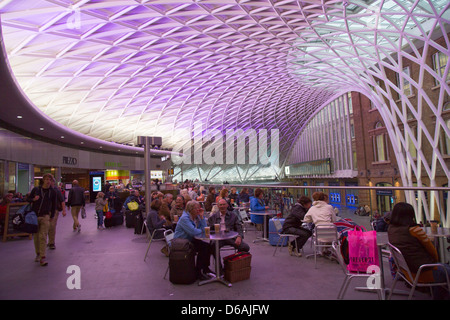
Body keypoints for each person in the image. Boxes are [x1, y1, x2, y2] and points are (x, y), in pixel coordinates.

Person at [388, 202, 450, 300]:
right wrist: (435, 263)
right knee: (445, 271)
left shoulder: (391, 229)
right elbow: (433, 252)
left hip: (407, 272)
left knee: (444, 269)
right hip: (421, 272)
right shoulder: (414, 230)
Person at [173, 200, 212, 280]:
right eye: (196, 208)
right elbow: (193, 232)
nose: (199, 210)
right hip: (181, 243)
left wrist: (201, 217)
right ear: (190, 209)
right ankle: (198, 271)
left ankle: (205, 268)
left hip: (190, 240)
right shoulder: (185, 218)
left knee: (208, 246)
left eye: (199, 207)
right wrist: (201, 230)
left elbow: (204, 228)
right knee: (203, 248)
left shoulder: (196, 216)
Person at [26, 173, 57, 266]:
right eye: (47, 179)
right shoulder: (36, 189)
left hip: (45, 216)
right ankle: (38, 254)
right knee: (36, 236)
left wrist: (51, 217)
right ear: (43, 180)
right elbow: (28, 199)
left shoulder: (52, 192)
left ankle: (42, 257)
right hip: (35, 216)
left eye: (50, 180)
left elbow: (54, 204)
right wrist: (33, 199)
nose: (48, 181)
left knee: (43, 236)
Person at [208, 199, 249, 264]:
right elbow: (209, 230)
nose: (222, 206)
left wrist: (239, 236)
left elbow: (239, 228)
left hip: (231, 237)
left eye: (224, 204)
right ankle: (219, 268)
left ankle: (234, 263)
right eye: (220, 205)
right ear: (218, 206)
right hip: (218, 239)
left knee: (245, 247)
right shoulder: (213, 217)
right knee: (213, 247)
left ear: (227, 205)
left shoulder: (233, 216)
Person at [47, 177, 66, 250]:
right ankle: (49, 241)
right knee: (46, 226)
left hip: (54, 210)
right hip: (45, 211)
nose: (48, 182)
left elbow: (62, 200)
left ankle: (51, 242)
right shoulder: (44, 190)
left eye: (50, 181)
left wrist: (64, 210)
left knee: (52, 226)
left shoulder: (56, 190)